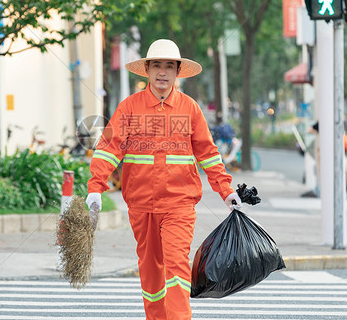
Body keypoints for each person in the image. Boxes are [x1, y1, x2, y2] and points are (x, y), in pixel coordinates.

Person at [85, 39, 241, 319]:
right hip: (141, 205)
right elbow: (109, 149)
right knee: (150, 269)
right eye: (157, 65)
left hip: (178, 205)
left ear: (177, 72)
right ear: (147, 69)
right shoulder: (129, 108)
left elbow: (208, 153)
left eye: (169, 66)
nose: (162, 72)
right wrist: (95, 188)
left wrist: (226, 191)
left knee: (177, 265)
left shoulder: (190, 109)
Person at [309, 121, 347, 199]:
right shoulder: (337, 119)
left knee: (326, 171)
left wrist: (319, 133)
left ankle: (336, 190)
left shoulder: (323, 121)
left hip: (328, 151)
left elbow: (310, 130)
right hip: (339, 151)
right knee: (344, 171)